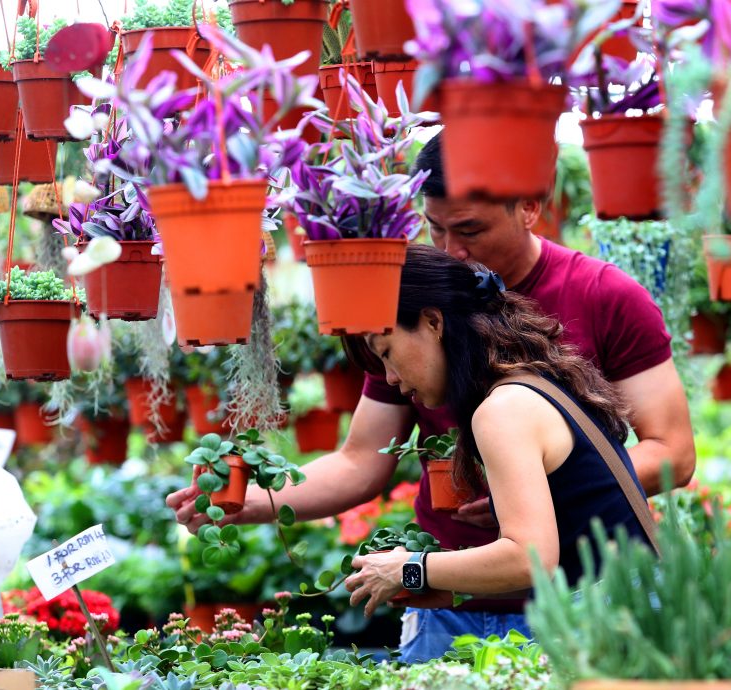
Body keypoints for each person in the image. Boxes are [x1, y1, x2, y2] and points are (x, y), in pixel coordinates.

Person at [166, 131, 695, 660]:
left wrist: (515, 497)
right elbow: (359, 460)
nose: (452, 250)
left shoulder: (532, 368)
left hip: (574, 609)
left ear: (530, 207)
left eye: (469, 230)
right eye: (435, 228)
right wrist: (251, 504)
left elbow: (663, 456)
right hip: (454, 599)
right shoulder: (443, 329)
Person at [342, 245, 655, 616]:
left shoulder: (502, 411)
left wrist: (409, 569)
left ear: (433, 323)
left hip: (617, 623)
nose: (390, 378)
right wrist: (443, 581)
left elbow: (528, 558)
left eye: (387, 352)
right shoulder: (533, 384)